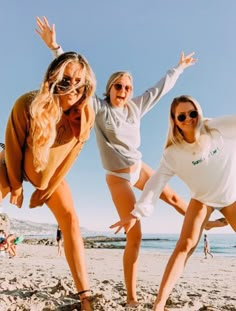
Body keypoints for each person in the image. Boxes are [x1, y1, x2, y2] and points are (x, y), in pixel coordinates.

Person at [35, 16, 227, 307]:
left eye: (127, 87)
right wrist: (55, 48)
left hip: (138, 167)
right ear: (109, 89)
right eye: (118, 87)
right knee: (135, 234)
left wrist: (180, 67)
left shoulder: (136, 106)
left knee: (175, 197)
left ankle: (207, 224)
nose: (123, 91)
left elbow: (161, 88)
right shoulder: (99, 108)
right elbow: (80, 80)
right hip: (117, 177)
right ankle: (131, 297)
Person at [111, 95, 236, 310]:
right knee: (185, 245)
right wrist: (137, 213)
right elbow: (155, 183)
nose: (189, 119)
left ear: (199, 113)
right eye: (182, 116)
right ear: (175, 121)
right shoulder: (173, 153)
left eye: (193, 113)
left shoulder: (214, 128)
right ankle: (159, 303)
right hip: (202, 199)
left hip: (231, 194)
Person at [0, 52, 96, 311]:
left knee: (71, 219)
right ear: (52, 80)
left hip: (49, 176)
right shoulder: (27, 103)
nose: (73, 88)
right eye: (66, 80)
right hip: (11, 162)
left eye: (80, 82)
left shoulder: (84, 118)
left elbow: (70, 159)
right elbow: (12, 145)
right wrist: (16, 185)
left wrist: (47, 189)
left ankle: (85, 295)